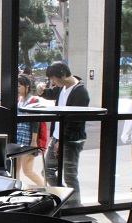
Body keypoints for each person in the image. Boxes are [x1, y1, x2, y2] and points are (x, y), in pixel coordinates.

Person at [37, 61, 90, 206]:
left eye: (53, 79)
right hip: (57, 137)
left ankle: (74, 206)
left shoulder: (80, 92)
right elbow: (49, 93)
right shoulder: (62, 87)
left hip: (71, 140)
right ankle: (65, 199)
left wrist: (62, 141)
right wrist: (41, 90)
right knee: (47, 171)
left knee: (70, 175)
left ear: (63, 75)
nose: (53, 82)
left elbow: (75, 121)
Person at [15, 74, 45, 185]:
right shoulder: (19, 100)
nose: (17, 89)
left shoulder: (33, 100)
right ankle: (16, 189)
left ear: (27, 86)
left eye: (19, 86)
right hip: (18, 138)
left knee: (27, 171)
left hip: (28, 139)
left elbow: (35, 122)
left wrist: (33, 141)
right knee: (15, 170)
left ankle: (45, 188)